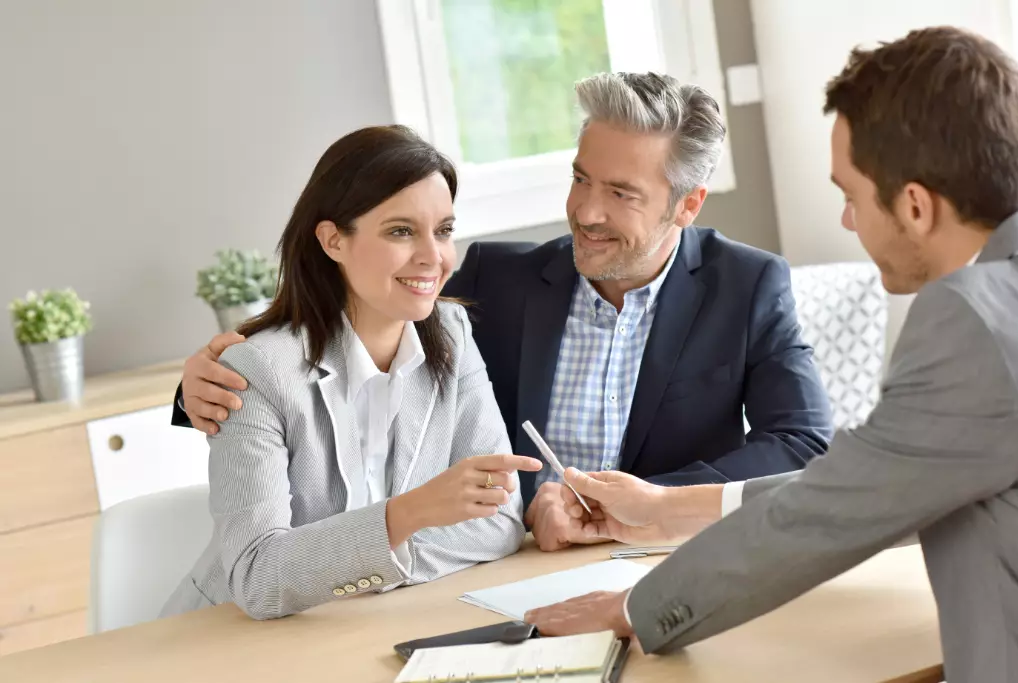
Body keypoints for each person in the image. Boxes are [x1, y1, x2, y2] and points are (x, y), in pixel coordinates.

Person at [523, 26, 1018, 683]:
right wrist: (670, 507)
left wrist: (633, 608)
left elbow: (834, 512)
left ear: (914, 205)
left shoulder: (971, 318)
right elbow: (887, 479)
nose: (846, 221)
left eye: (849, 196)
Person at [172, 72, 834, 552]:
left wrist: (640, 503)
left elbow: (801, 441)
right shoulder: (495, 278)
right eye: (580, 178)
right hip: (496, 568)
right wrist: (201, 381)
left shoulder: (745, 285)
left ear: (686, 206)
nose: (585, 211)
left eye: (620, 192)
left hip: (666, 558)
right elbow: (356, 315)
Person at [161, 125, 542, 620]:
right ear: (333, 240)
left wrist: (354, 565)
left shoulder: (452, 332)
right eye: (401, 231)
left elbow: (500, 522)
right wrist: (408, 516)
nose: (434, 256)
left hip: (371, 624)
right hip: (233, 643)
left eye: (444, 229)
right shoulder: (258, 370)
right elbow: (257, 577)